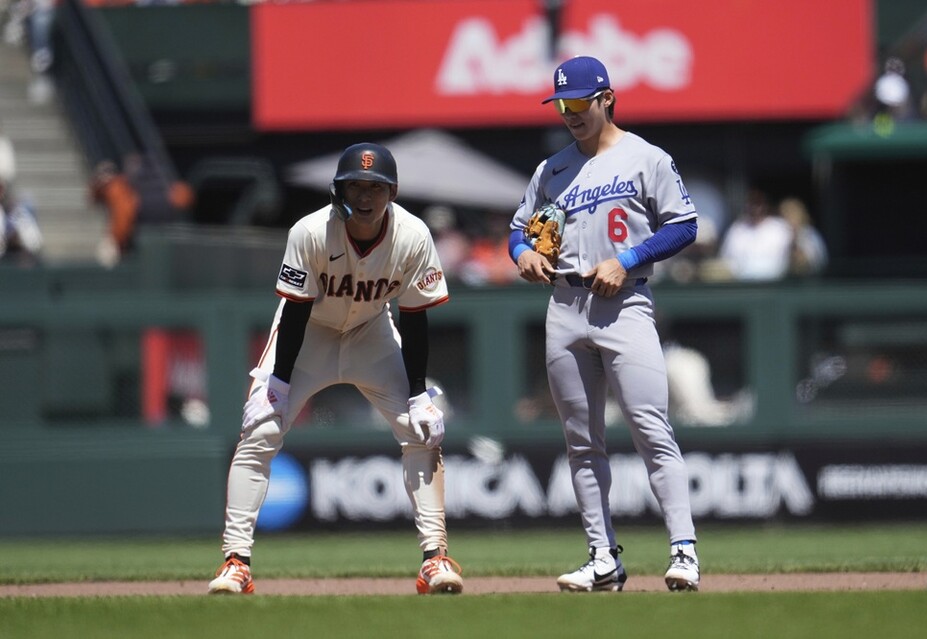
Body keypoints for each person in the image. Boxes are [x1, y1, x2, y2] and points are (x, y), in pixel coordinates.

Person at [208, 143, 463, 596]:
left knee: (421, 430)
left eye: (375, 187)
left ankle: (435, 557)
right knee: (261, 429)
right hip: (309, 334)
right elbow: (295, 312)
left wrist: (419, 393)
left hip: (371, 331)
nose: (364, 196)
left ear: (393, 192)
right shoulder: (310, 231)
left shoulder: (413, 235)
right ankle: (235, 562)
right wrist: (280, 384)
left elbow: (416, 317)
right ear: (338, 190)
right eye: (355, 186)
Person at [508, 55, 700, 592]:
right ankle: (603, 557)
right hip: (565, 306)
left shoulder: (647, 157)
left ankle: (683, 550)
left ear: (607, 98)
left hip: (625, 303)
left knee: (650, 429)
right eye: (562, 104)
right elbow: (518, 229)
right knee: (581, 442)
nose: (569, 112)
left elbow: (684, 226)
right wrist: (522, 252)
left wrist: (630, 259)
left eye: (579, 102)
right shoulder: (551, 169)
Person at [717, 188, 794, 281]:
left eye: (758, 204)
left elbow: (792, 257)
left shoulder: (780, 228)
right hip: (744, 285)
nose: (755, 208)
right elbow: (725, 260)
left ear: (765, 205)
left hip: (776, 284)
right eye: (752, 204)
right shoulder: (737, 229)